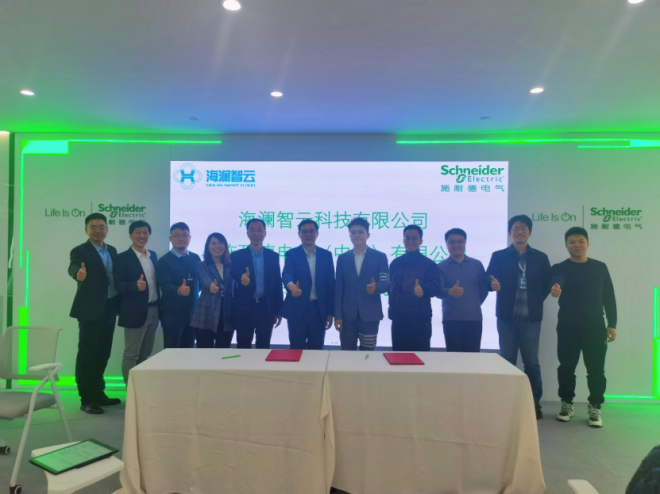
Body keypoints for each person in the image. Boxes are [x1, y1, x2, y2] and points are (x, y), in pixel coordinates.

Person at [486, 214, 552, 419]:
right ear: (509, 232)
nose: (520, 232)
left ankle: (534, 403)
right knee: (507, 360)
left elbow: (547, 283)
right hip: (506, 318)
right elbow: (488, 278)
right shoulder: (499, 256)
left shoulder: (540, 257)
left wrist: (535, 300)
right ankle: (507, 402)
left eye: (524, 228)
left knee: (531, 362)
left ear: (529, 232)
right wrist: (491, 284)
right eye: (515, 228)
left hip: (531, 319)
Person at [551, 226, 617, 427]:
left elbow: (609, 297)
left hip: (595, 327)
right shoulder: (560, 267)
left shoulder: (600, 267)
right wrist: (556, 287)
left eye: (581, 241)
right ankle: (566, 403)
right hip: (568, 327)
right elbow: (557, 279)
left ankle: (595, 406)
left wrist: (612, 324)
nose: (577, 245)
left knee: (596, 370)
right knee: (566, 368)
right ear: (566, 245)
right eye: (572, 242)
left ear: (587, 244)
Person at [68, 213, 121, 414]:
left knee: (103, 352)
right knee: (87, 354)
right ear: (86, 230)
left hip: (110, 307)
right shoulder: (80, 251)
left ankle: (99, 393)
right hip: (90, 309)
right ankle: (87, 398)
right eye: (93, 227)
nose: (97, 230)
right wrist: (77, 273)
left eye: (101, 227)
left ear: (107, 229)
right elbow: (73, 266)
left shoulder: (112, 250)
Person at [114, 221, 160, 385]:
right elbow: (118, 284)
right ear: (130, 235)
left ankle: (141, 389)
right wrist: (135, 285)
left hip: (154, 311)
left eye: (145, 232)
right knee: (131, 354)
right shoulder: (121, 258)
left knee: (145, 353)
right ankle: (131, 392)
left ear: (149, 235)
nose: (142, 236)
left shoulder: (153, 255)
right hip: (134, 312)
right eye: (138, 232)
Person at [334, 217, 390, 351]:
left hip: (370, 315)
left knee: (367, 354)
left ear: (368, 235)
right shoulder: (342, 258)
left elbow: (386, 283)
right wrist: (338, 316)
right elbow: (338, 289)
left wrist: (376, 288)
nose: (357, 235)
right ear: (350, 236)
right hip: (347, 317)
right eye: (353, 232)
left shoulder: (380, 257)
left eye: (360, 232)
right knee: (347, 352)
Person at [281, 220, 335, 350]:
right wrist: (291, 286)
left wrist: (330, 313)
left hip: (318, 310)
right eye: (304, 231)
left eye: (311, 231)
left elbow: (330, 285)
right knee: (296, 349)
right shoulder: (292, 254)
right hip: (297, 309)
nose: (308, 234)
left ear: (317, 233)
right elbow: (287, 274)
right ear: (299, 234)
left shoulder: (326, 255)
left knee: (316, 349)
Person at [230, 218, 283, 348]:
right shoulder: (237, 255)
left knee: (263, 346)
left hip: (266, 308)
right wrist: (241, 277)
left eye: (259, 230)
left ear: (265, 233)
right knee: (243, 346)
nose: (256, 234)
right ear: (247, 233)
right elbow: (233, 272)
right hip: (244, 308)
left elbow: (277, 284)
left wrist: (278, 310)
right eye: (252, 230)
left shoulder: (273, 256)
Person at [388, 225, 441, 351]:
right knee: (398, 357)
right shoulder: (395, 263)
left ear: (421, 241)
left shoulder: (429, 264)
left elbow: (436, 286)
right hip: (398, 319)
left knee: (420, 358)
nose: (410, 241)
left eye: (414, 238)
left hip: (419, 320)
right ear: (403, 240)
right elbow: (391, 287)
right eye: (407, 238)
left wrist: (424, 290)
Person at [436, 228, 489, 352]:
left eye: (460, 241)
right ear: (446, 244)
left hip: (474, 318)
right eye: (452, 242)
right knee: (454, 357)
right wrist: (449, 292)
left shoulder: (477, 264)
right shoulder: (440, 267)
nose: (456, 245)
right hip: (451, 319)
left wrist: (473, 303)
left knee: (473, 357)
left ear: (465, 243)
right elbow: (437, 291)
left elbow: (484, 290)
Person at [156, 222, 201, 348]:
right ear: (170, 239)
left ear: (190, 238)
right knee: (171, 352)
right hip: (172, 316)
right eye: (176, 235)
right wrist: (178, 290)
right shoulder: (164, 261)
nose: (181, 238)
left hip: (192, 315)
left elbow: (200, 283)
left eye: (185, 235)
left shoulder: (195, 258)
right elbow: (165, 286)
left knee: (188, 352)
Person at [191, 233, 235, 348]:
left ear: (225, 246)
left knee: (223, 351)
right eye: (213, 243)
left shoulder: (231, 266)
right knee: (204, 352)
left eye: (220, 243)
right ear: (208, 247)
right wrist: (211, 286)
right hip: (205, 314)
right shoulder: (201, 265)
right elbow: (204, 279)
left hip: (227, 314)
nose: (217, 246)